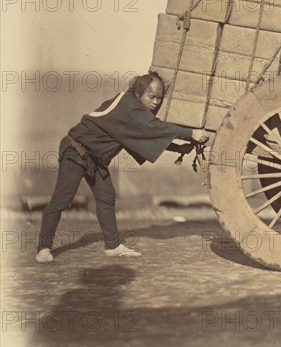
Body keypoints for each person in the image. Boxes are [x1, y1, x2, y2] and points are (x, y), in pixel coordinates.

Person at [36, 71, 208, 263]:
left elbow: (143, 133)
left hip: (94, 158)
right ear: (138, 92)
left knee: (107, 196)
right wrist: (190, 133)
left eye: (159, 98)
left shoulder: (133, 110)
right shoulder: (129, 106)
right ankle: (43, 248)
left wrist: (177, 148)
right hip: (75, 151)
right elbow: (153, 128)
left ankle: (112, 246)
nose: (156, 102)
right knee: (62, 199)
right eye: (151, 97)